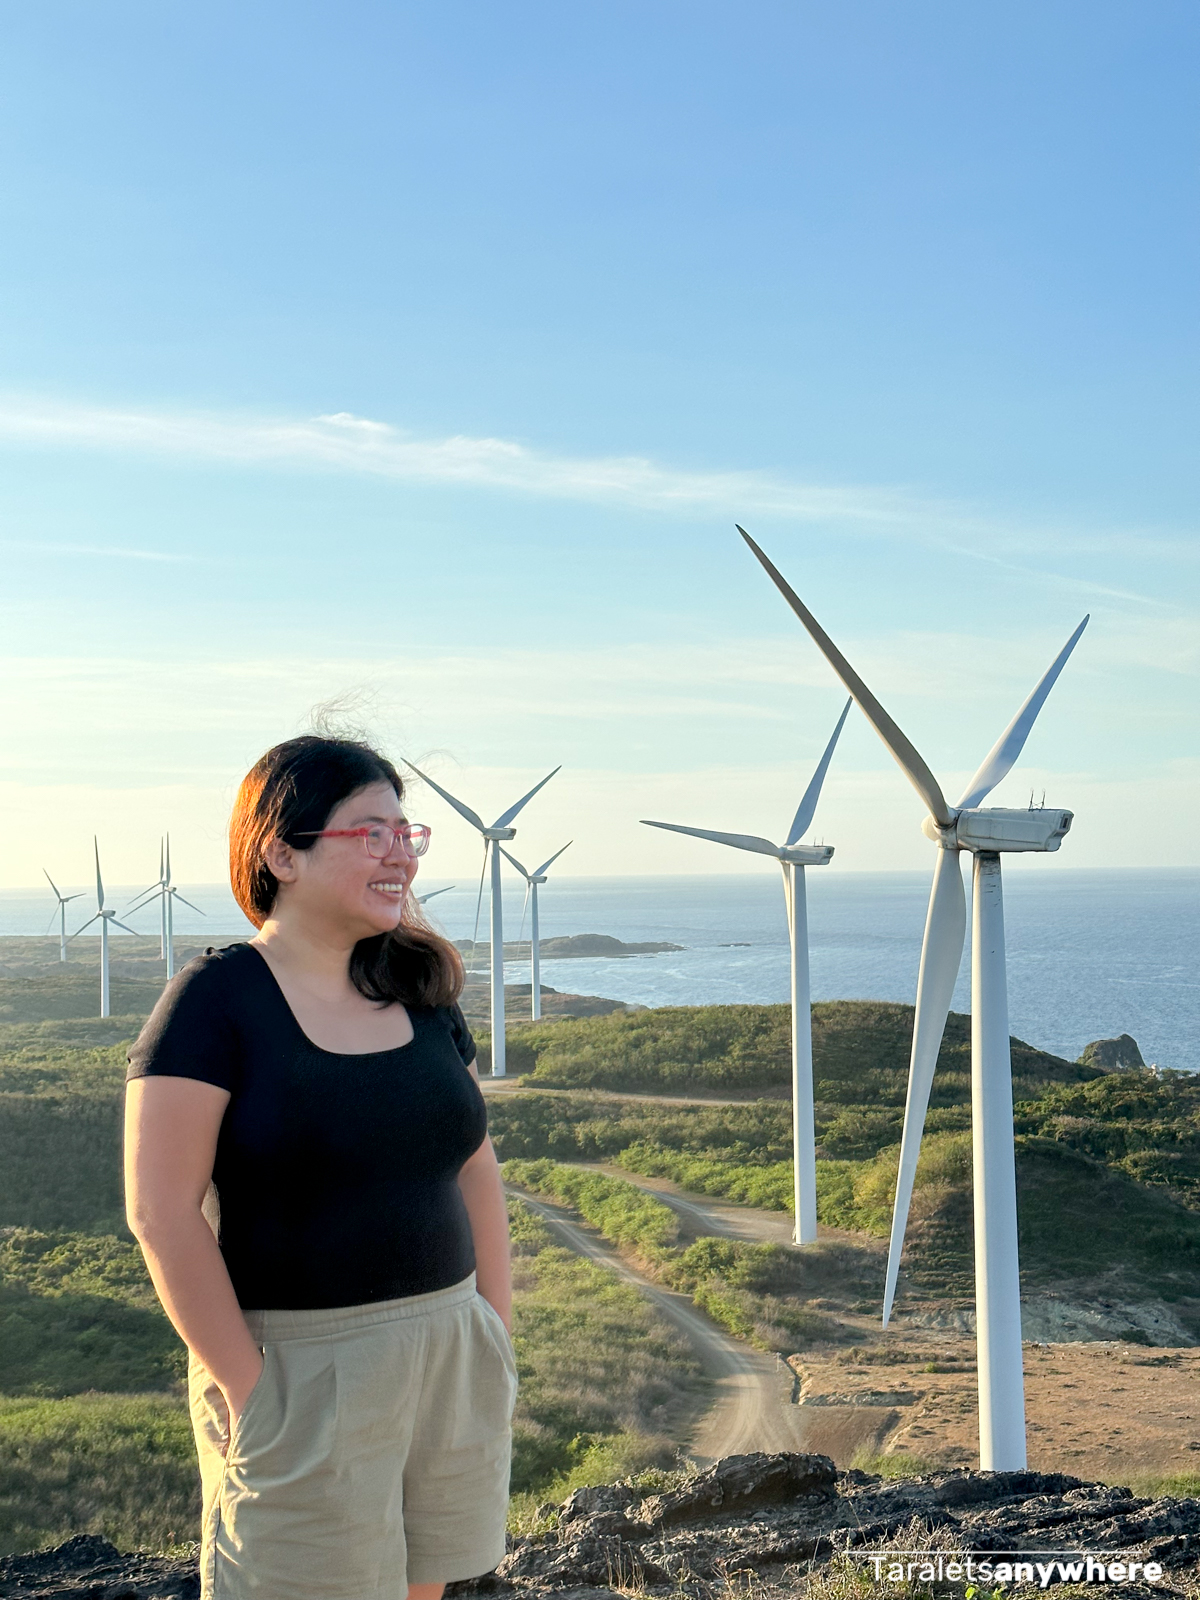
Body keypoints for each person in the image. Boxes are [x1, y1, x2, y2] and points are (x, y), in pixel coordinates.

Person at [123, 735, 515, 1600]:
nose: (400, 856)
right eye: (370, 832)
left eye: (408, 835)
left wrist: (493, 1326)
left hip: (450, 1348)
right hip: (300, 1366)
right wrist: (249, 1388)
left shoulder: (422, 991)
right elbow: (160, 1211)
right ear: (281, 852)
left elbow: (473, 1165)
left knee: (428, 1587)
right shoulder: (218, 1001)